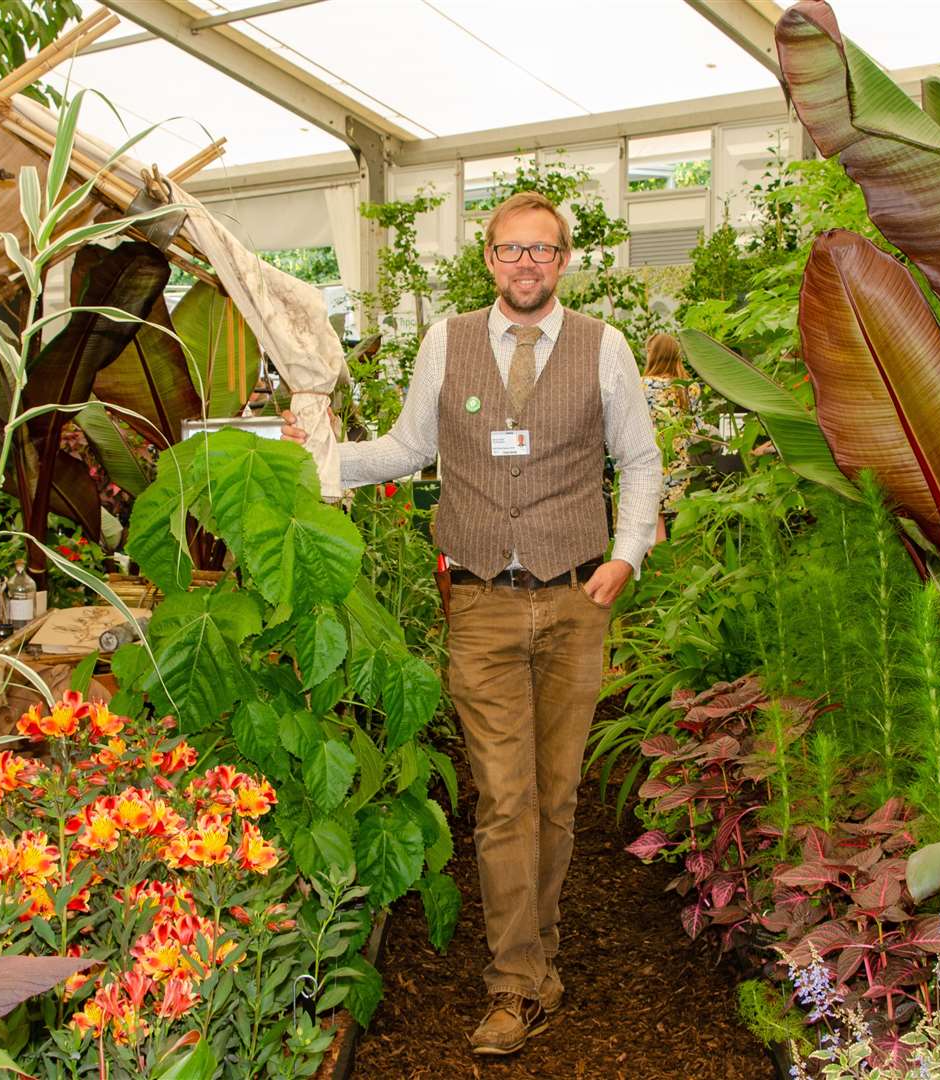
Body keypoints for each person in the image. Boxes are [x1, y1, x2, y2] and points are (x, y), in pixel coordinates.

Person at [282, 191, 661, 1056]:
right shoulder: (445, 343)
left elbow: (639, 461)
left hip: (576, 598)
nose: (524, 264)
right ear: (487, 260)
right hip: (482, 603)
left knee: (555, 798)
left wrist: (626, 556)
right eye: (508, 250)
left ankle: (541, 949)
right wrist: (311, 458)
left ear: (563, 261)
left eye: (542, 251)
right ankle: (515, 983)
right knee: (503, 799)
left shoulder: (604, 350)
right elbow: (408, 450)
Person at [640, 331, 701, 543]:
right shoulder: (690, 388)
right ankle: (685, 564)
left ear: (654, 354)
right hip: (682, 464)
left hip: (652, 461)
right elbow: (696, 428)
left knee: (655, 520)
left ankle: (659, 569)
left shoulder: (643, 386)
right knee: (684, 520)